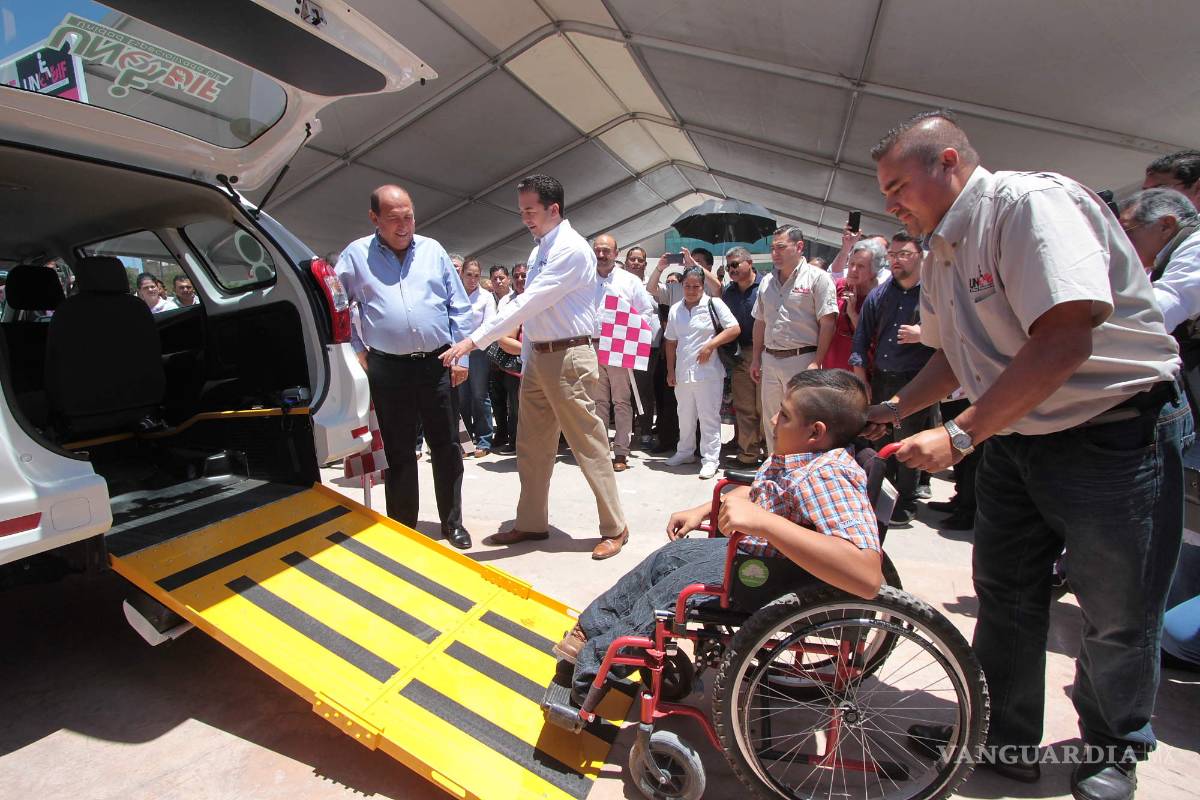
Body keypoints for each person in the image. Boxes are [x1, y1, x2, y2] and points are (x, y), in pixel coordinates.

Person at [865, 110, 1188, 799]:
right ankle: (1003, 735)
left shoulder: (1028, 207)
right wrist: (896, 409)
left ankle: (1113, 746)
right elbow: (959, 355)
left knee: (1117, 609)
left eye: (898, 185)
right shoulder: (942, 245)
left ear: (947, 162)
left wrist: (958, 435)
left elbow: (1064, 341)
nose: (889, 203)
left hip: (1109, 435)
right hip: (1016, 437)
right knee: (1005, 595)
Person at [552, 369, 882, 699]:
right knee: (665, 559)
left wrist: (764, 523)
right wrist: (704, 510)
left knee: (672, 593)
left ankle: (596, 668)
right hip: (750, 557)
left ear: (815, 432)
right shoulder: (801, 458)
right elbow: (766, 493)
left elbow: (866, 575)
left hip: (767, 575)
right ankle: (589, 630)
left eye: (785, 414)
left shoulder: (829, 476)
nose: (773, 417)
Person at [441, 174, 630, 560]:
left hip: (569, 357)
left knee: (588, 445)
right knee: (532, 447)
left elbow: (530, 303)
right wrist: (527, 361)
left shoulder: (572, 250)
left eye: (530, 210)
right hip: (539, 357)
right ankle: (531, 522)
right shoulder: (539, 249)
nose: (524, 217)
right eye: (521, 210)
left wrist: (474, 340)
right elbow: (532, 317)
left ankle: (615, 527)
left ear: (553, 209)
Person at [336, 184, 474, 550]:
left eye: (409, 217)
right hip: (387, 369)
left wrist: (461, 356)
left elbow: (458, 306)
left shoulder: (434, 251)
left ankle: (452, 523)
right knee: (399, 452)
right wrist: (357, 351)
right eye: (393, 219)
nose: (403, 226)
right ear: (374, 219)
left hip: (438, 364)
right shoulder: (355, 256)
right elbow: (337, 305)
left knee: (445, 447)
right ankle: (404, 528)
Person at [850, 232, 937, 526]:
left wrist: (923, 334)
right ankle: (879, 498)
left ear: (921, 256)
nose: (897, 260)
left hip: (917, 381)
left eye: (904, 254)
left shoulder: (934, 292)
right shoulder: (881, 294)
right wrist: (861, 374)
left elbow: (955, 338)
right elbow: (860, 338)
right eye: (893, 255)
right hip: (882, 377)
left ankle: (906, 503)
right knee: (877, 442)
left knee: (907, 444)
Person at [750, 225, 838, 452]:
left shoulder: (818, 278)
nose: (774, 253)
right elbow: (760, 321)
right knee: (771, 420)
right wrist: (756, 358)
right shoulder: (767, 282)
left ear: (799, 247)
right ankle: (773, 468)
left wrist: (817, 361)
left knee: (800, 421)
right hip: (770, 359)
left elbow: (827, 322)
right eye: (772, 248)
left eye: (780, 247)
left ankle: (798, 472)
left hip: (802, 359)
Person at [589, 234, 659, 472]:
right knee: (597, 402)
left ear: (616, 252)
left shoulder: (630, 281)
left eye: (606, 250)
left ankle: (621, 451)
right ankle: (599, 450)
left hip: (618, 346)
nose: (601, 254)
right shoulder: (584, 279)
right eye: (598, 250)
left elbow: (646, 312)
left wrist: (627, 334)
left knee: (621, 401)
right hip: (591, 346)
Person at [664, 267, 740, 478]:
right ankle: (685, 452)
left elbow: (734, 328)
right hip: (682, 372)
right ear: (681, 286)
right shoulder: (675, 309)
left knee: (708, 418)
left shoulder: (713, 304)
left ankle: (710, 459)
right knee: (685, 416)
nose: (691, 290)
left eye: (695, 286)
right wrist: (670, 369)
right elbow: (670, 341)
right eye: (687, 286)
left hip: (709, 373)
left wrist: (711, 345)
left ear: (702, 286)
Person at [722, 247, 765, 464]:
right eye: (728, 266)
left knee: (765, 407)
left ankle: (771, 454)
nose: (731, 269)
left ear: (750, 262)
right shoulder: (728, 292)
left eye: (735, 264)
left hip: (766, 353)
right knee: (744, 407)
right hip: (739, 356)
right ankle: (748, 455)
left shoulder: (767, 286)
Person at [456, 261, 496, 456]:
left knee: (479, 396)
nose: (472, 280)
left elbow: (489, 326)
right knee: (461, 397)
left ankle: (484, 439)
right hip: (458, 352)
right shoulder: (454, 294)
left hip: (478, 351)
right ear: (462, 274)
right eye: (469, 275)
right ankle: (465, 442)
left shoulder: (486, 297)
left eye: (476, 276)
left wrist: (471, 344)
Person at [823, 239, 880, 372]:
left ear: (873, 271)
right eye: (851, 264)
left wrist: (853, 314)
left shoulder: (879, 297)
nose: (853, 270)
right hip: (830, 368)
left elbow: (873, 339)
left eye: (861, 266)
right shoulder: (839, 286)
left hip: (859, 372)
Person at [623, 246, 657, 445]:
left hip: (648, 346)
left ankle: (645, 430)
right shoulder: (618, 282)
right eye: (632, 259)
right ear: (626, 262)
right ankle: (625, 432)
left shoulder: (652, 286)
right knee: (623, 392)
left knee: (643, 390)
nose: (635, 263)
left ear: (645, 263)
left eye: (639, 260)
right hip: (621, 343)